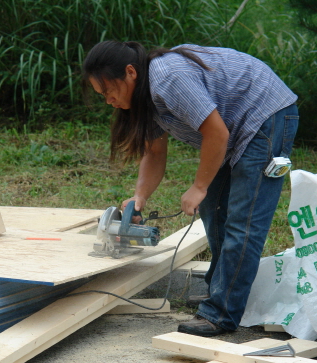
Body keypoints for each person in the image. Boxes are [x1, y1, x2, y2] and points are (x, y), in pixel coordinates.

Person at [82, 40, 299, 337]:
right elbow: (154, 153)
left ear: (130, 72)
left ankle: (221, 314)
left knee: (243, 221)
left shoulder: (167, 79)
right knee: (215, 210)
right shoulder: (146, 98)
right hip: (235, 125)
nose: (108, 100)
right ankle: (221, 291)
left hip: (265, 114)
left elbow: (216, 133)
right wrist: (140, 197)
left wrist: (199, 186)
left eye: (108, 90)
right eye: (102, 95)